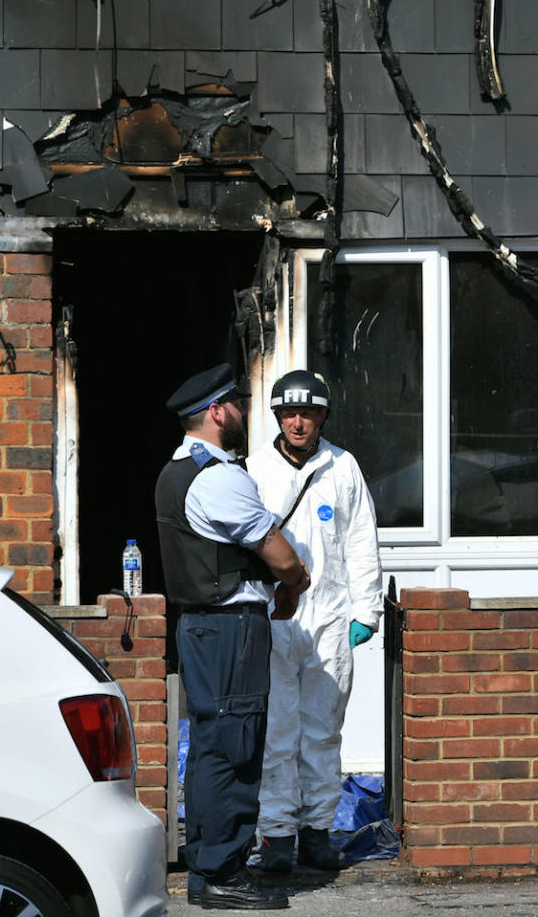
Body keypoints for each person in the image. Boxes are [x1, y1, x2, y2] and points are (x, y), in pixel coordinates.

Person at [155, 363, 310, 912]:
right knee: (235, 749)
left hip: (202, 627)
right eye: (237, 405)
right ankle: (222, 872)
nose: (244, 413)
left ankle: (206, 868)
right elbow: (280, 554)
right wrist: (296, 581)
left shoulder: (178, 471)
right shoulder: (219, 477)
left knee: (211, 749)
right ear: (218, 411)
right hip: (229, 629)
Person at [246, 369, 383, 874]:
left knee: (323, 729)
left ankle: (317, 831)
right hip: (275, 617)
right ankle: (278, 835)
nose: (298, 422)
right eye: (289, 413)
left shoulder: (342, 467)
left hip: (329, 616)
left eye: (307, 413)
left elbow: (361, 541)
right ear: (277, 417)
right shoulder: (255, 468)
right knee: (278, 730)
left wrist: (364, 610)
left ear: (323, 416)